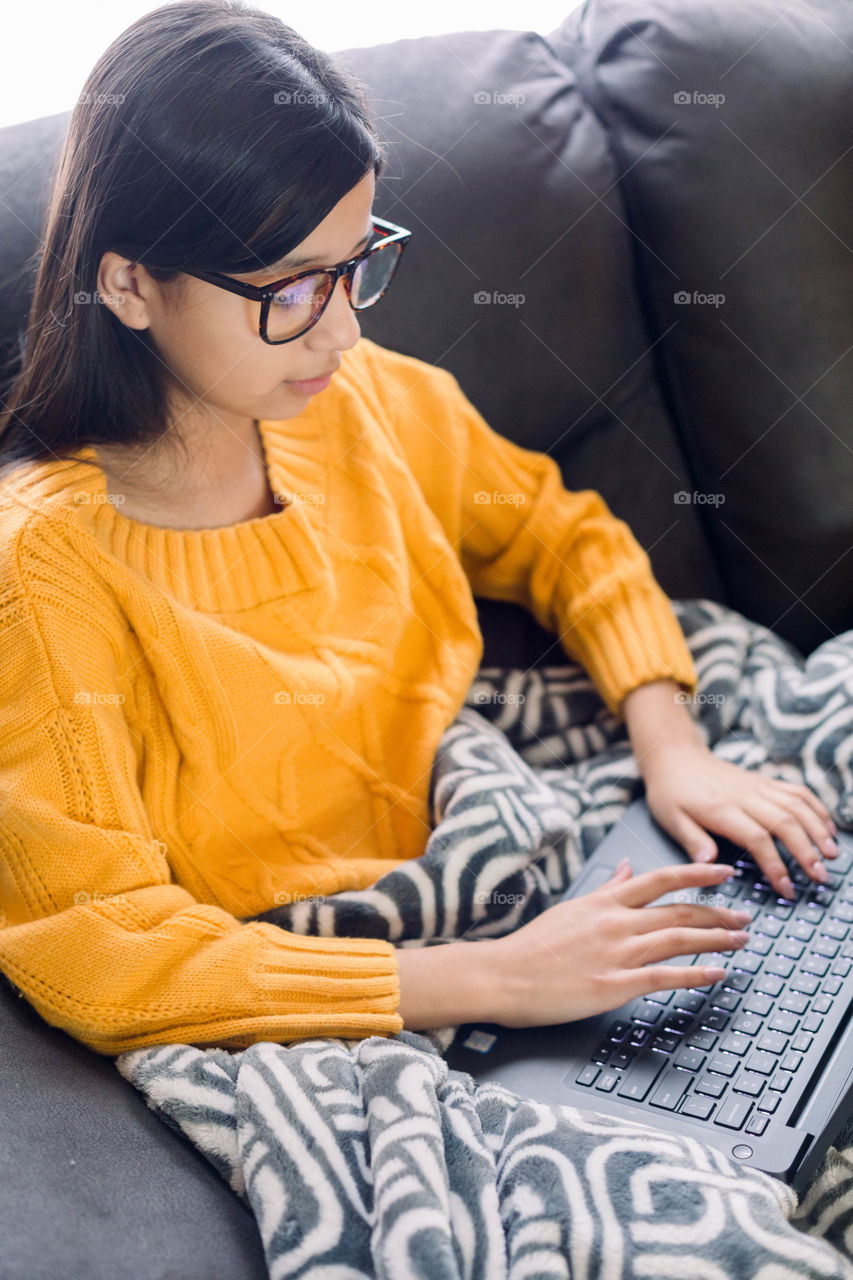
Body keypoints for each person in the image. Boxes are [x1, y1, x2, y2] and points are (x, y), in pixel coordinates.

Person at [0, 0, 838, 1056]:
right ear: (129, 282)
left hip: (523, 855)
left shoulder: (351, 401)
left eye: (356, 263)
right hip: (364, 990)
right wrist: (498, 976)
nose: (344, 326)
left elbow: (562, 534)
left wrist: (674, 750)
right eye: (294, 286)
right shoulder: (43, 576)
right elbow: (97, 942)